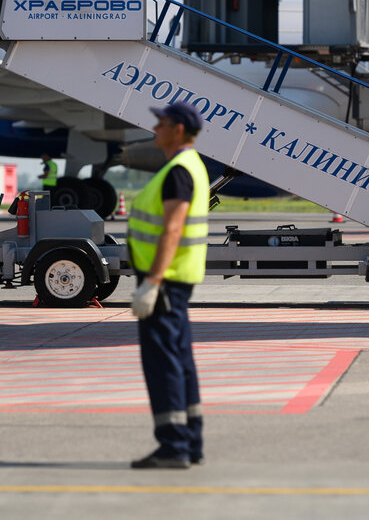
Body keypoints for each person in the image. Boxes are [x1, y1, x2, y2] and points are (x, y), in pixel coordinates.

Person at [127, 102, 209, 469]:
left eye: (161, 123)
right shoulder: (189, 166)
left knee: (163, 363)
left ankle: (174, 446)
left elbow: (172, 229)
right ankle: (190, 443)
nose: (154, 128)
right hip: (177, 279)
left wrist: (152, 283)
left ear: (178, 129)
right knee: (180, 360)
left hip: (166, 280)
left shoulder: (178, 170)